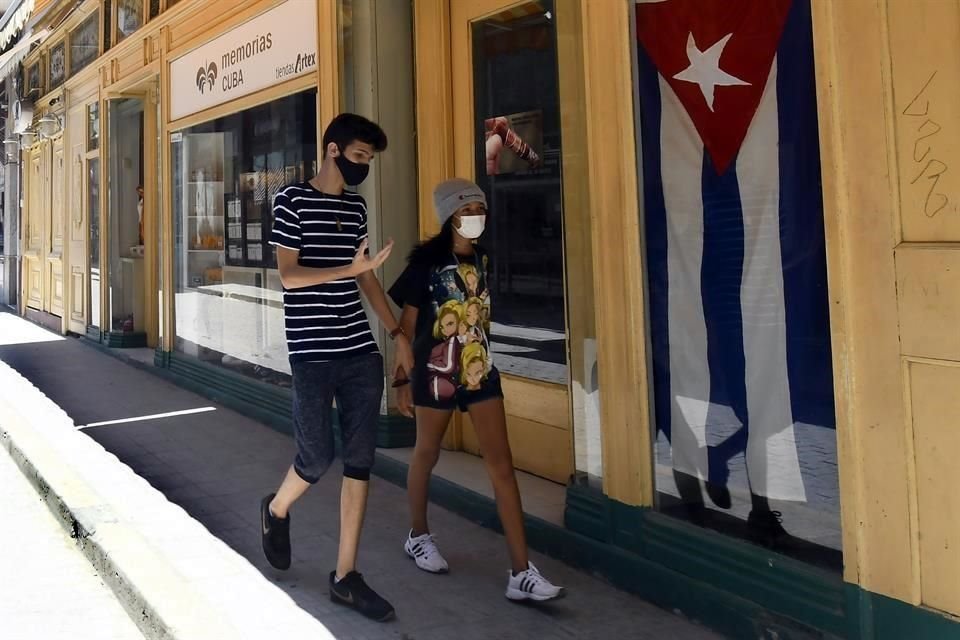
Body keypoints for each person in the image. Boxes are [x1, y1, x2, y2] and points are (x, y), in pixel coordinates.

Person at [260, 113, 414, 622]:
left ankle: (345, 575)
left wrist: (396, 334)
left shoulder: (357, 207)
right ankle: (277, 509)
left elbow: (367, 281)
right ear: (332, 150)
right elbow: (289, 275)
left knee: (359, 459)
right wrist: (350, 269)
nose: (364, 167)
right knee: (315, 456)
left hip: (358, 350)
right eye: (359, 157)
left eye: (369, 160)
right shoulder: (291, 201)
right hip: (311, 351)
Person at [388, 178, 564, 602]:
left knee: (502, 467)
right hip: (435, 375)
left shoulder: (483, 257)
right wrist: (401, 380)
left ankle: (521, 571)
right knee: (426, 454)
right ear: (449, 216)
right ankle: (418, 534)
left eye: (478, 210)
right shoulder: (425, 264)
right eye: (466, 212)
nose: (474, 218)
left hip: (481, 374)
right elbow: (408, 325)